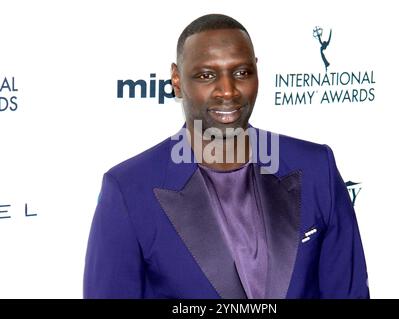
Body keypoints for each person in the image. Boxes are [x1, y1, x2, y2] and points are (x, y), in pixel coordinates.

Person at [83, 13, 369, 299]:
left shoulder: (316, 167)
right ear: (177, 80)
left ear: (256, 71)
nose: (228, 91)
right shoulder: (129, 190)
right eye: (206, 75)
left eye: (241, 72)